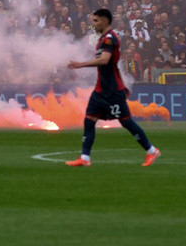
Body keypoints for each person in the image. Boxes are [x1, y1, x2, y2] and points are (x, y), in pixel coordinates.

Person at [65, 9, 159, 167]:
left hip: (112, 91)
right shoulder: (102, 39)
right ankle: (85, 158)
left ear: (105, 21)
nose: (93, 24)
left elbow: (105, 60)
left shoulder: (110, 38)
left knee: (126, 122)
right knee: (89, 120)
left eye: (96, 21)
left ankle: (151, 150)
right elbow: (114, 67)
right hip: (101, 90)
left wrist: (80, 64)